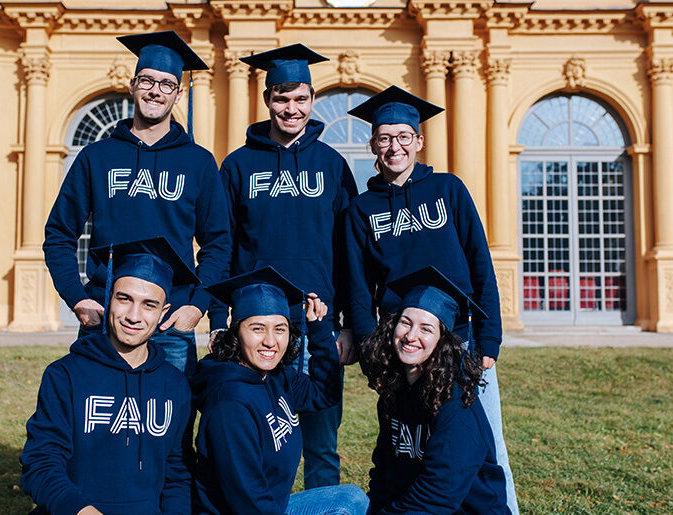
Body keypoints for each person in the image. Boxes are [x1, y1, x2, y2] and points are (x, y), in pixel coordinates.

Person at [343, 85, 519, 512]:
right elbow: (358, 287)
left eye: (404, 136)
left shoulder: (448, 190)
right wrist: (371, 351)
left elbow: (480, 263)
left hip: (458, 339)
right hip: (402, 342)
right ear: (373, 144)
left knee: (485, 440)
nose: (395, 146)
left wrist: (489, 340)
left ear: (419, 141)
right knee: (408, 438)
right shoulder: (362, 210)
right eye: (385, 138)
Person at [208, 44, 358, 489]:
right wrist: (220, 319)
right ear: (267, 99)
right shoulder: (237, 166)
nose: (291, 109)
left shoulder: (332, 165)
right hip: (256, 326)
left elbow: (348, 252)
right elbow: (223, 245)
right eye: (281, 98)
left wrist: (345, 325)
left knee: (321, 444)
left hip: (316, 326)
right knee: (250, 438)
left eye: (300, 99)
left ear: (312, 101)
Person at [43, 30, 231, 376]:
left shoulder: (198, 162)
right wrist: (77, 298)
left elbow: (218, 243)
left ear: (178, 95)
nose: (155, 91)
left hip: (170, 321)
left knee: (171, 427)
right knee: (95, 424)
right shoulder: (96, 157)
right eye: (147, 81)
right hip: (104, 316)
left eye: (166, 85)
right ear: (132, 86)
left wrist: (197, 306)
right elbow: (58, 234)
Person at [20, 237, 198, 515]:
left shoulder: (174, 385)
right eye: (124, 299)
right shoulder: (65, 375)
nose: (133, 316)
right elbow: (41, 464)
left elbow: (177, 474)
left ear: (164, 312)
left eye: (149, 305)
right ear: (108, 299)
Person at [193, 267, 369, 515]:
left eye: (279, 329)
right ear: (236, 334)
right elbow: (248, 502)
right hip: (244, 511)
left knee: (350, 499)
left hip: (272, 505)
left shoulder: (274, 377)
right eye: (257, 328)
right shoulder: (230, 404)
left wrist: (318, 329)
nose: (270, 341)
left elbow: (323, 394)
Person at [361, 266, 509, 514]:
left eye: (426, 329)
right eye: (405, 323)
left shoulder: (457, 405)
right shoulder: (394, 393)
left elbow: (439, 494)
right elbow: (384, 470)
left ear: (443, 341)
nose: (410, 336)